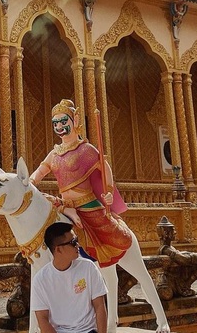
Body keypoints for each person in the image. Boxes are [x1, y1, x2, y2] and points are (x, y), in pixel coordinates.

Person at [30, 98, 131, 268]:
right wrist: (28, 183)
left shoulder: (86, 149)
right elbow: (39, 173)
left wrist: (108, 191)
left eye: (63, 122)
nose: (59, 127)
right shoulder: (54, 154)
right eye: (55, 123)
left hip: (88, 206)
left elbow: (105, 169)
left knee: (116, 235)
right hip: (64, 205)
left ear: (75, 121)